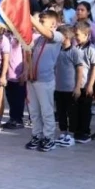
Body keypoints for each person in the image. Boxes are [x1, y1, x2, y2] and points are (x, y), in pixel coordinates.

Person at [24, 10, 64, 152]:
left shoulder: (57, 36)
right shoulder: (38, 39)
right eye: (38, 21)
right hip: (32, 80)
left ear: (53, 24)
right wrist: (27, 71)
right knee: (34, 111)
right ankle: (37, 134)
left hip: (45, 81)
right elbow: (29, 55)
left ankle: (49, 138)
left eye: (42, 21)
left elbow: (47, 34)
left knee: (46, 110)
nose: (39, 24)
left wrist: (30, 19)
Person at [54, 25, 82, 147]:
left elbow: (80, 69)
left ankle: (71, 135)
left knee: (72, 112)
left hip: (70, 88)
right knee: (60, 112)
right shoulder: (56, 50)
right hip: (58, 88)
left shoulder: (75, 51)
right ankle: (63, 132)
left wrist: (77, 87)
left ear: (66, 37)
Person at [73, 21, 95, 143]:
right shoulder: (75, 47)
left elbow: (94, 67)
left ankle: (85, 132)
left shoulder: (91, 49)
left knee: (85, 109)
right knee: (75, 109)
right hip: (76, 84)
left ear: (86, 35)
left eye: (77, 35)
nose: (75, 37)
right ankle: (77, 131)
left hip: (86, 84)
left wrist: (90, 85)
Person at [2, 29, 26, 130]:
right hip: (8, 73)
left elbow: (26, 56)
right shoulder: (6, 36)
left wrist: (24, 72)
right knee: (10, 97)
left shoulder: (21, 37)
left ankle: (19, 119)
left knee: (19, 98)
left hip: (18, 73)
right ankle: (12, 118)